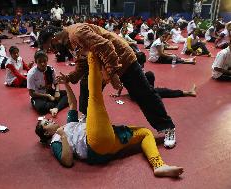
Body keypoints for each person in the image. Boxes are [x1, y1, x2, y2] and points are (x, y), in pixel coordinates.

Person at [35, 53, 184, 178]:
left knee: (145, 133)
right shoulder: (55, 141)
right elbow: (67, 161)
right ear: (47, 133)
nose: (49, 120)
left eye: (46, 120)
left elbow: (72, 104)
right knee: (94, 97)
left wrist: (66, 83)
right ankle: (93, 53)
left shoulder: (67, 125)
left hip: (108, 140)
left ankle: (159, 166)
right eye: (46, 124)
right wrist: (63, 136)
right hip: (93, 143)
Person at [43, 23, 179, 148]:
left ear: (54, 37)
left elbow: (105, 46)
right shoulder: (69, 42)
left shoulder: (77, 33)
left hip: (123, 58)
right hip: (105, 64)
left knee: (143, 94)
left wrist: (113, 74)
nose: (53, 51)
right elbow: (82, 63)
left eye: (51, 46)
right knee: (86, 84)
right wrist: (69, 78)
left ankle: (167, 127)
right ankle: (86, 116)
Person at [27, 50, 68, 117]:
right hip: (38, 96)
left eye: (44, 61)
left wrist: (57, 91)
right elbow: (31, 93)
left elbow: (56, 83)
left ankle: (55, 108)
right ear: (35, 62)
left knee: (68, 94)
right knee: (40, 108)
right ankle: (57, 105)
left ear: (47, 60)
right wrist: (48, 96)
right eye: (40, 61)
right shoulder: (31, 74)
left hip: (50, 92)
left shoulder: (51, 69)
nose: (43, 64)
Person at [111, 71, 197, 98]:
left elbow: (121, 84)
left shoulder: (124, 73)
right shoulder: (135, 71)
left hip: (134, 95)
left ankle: (150, 91)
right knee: (165, 91)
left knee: (148, 76)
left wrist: (118, 94)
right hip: (142, 95)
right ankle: (189, 92)